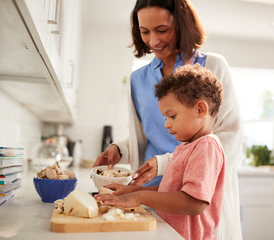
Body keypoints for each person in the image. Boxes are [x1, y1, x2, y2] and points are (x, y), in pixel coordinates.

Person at [93, 0, 243, 239]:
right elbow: (147, 134)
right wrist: (119, 148)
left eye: (162, 30)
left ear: (182, 25)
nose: (153, 41)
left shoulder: (213, 66)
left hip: (197, 212)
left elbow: (230, 138)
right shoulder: (137, 79)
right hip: (155, 199)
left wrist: (167, 163)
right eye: (145, 32)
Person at [96, 64, 225, 240]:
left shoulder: (207, 147)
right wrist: (132, 191)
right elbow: (172, 190)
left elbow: (194, 203)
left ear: (200, 109)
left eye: (172, 116)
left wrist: (139, 197)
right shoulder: (187, 147)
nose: (166, 124)